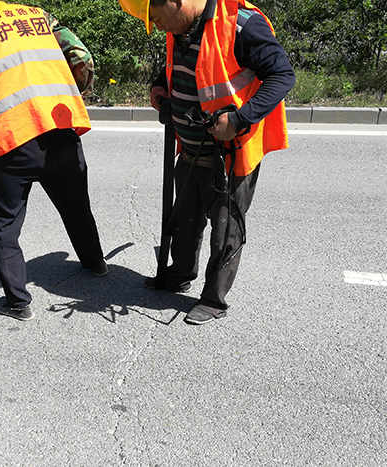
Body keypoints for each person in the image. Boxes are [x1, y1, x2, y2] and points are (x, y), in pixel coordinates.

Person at [118, 0, 295, 324]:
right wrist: (161, 86)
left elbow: (283, 75)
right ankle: (179, 274)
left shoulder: (241, 24)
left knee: (225, 230)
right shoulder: (182, 27)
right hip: (189, 149)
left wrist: (241, 119)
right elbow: (180, 65)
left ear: (175, 1)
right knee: (184, 220)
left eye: (157, 18)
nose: (158, 27)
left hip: (229, 156)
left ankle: (214, 298)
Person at [0, 0, 107, 321]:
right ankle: (95, 263)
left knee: (4, 222)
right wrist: (74, 93)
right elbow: (82, 57)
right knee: (75, 203)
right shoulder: (36, 15)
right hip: (60, 127)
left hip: (12, 136)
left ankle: (18, 302)